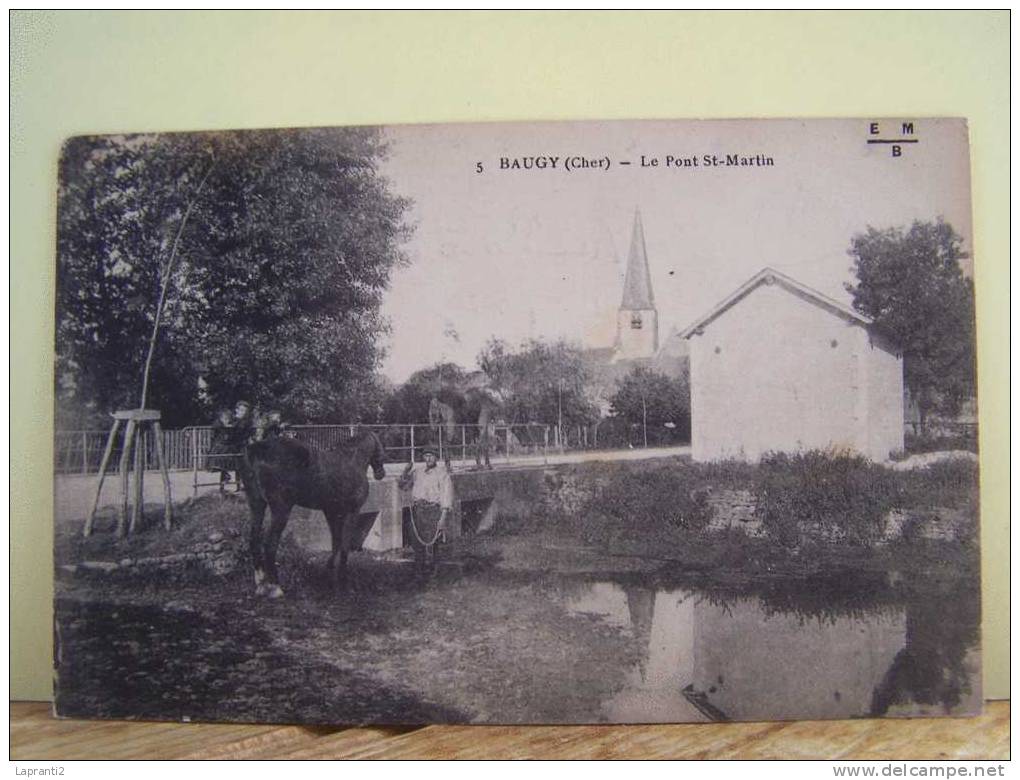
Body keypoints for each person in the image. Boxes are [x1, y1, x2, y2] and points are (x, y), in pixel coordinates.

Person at [399, 448, 455, 576]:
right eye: (426, 456)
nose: (428, 458)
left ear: (436, 458)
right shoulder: (417, 472)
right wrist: (405, 471)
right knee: (417, 542)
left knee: (434, 542)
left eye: (431, 456)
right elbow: (403, 486)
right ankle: (419, 570)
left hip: (433, 510)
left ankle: (436, 570)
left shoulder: (442, 474)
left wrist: (443, 518)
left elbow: (446, 496)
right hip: (417, 511)